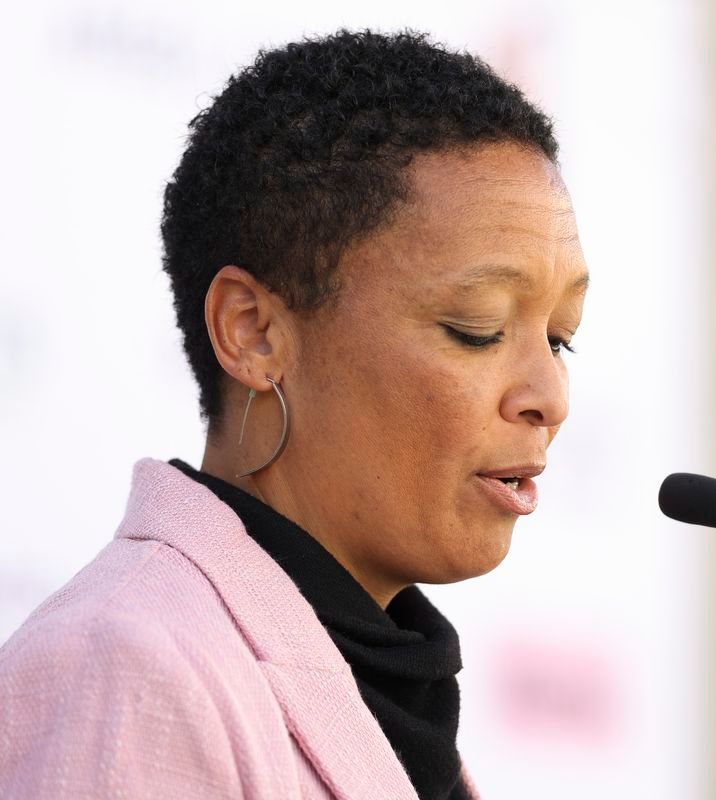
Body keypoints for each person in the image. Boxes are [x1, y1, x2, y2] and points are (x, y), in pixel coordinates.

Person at [0, 29, 588, 800]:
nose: (551, 397)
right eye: (475, 327)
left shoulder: (392, 698)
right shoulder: (126, 666)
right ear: (254, 332)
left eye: (559, 339)